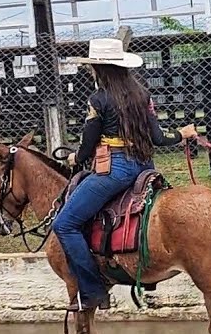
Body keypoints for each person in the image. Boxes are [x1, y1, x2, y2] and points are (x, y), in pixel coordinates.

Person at [53, 37, 197, 311]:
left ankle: (93, 291)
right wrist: (183, 134)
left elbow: (87, 144)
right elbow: (157, 138)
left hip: (115, 171)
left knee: (65, 224)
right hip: (144, 167)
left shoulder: (98, 99)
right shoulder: (143, 95)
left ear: (99, 68)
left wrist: (75, 158)